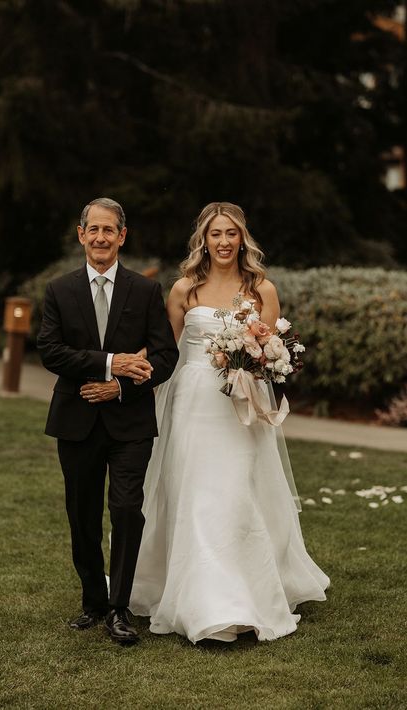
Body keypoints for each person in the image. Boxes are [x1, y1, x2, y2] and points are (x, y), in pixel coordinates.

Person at [129, 201, 330, 644]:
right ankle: (199, 598)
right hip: (193, 402)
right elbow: (165, 352)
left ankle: (244, 594)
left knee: (238, 492)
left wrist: (256, 358)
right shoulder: (185, 289)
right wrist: (122, 371)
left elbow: (273, 354)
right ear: (203, 239)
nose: (223, 242)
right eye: (215, 234)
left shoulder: (263, 290)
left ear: (242, 239)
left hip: (241, 409)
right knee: (194, 494)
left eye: (231, 234)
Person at [37, 197, 179, 644]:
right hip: (75, 419)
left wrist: (121, 386)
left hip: (131, 423)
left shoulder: (144, 291)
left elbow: (165, 354)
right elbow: (50, 350)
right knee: (81, 515)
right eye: (92, 230)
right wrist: (111, 363)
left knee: (125, 510)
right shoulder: (59, 290)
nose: (100, 238)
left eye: (109, 230)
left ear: (122, 236)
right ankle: (93, 602)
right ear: (81, 235)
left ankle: (120, 607)